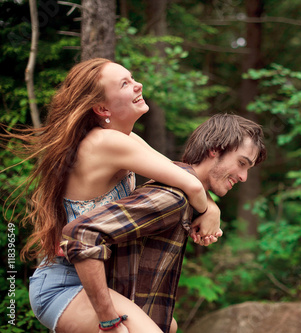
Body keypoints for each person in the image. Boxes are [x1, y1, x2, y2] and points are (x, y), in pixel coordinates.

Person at [6, 58, 221, 333]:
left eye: (132, 78)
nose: (137, 85)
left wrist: (210, 207)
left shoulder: (124, 138)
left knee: (169, 326)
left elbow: (182, 175)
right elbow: (191, 187)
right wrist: (207, 211)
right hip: (65, 285)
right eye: (125, 84)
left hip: (100, 281)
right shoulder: (107, 142)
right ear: (102, 108)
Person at [59, 113, 267, 332]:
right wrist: (110, 321)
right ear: (214, 149)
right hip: (73, 294)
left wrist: (209, 207)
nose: (244, 177)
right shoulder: (173, 199)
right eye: (241, 163)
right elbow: (81, 233)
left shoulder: (184, 195)